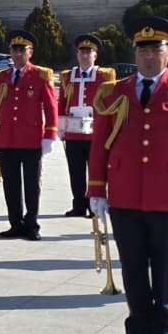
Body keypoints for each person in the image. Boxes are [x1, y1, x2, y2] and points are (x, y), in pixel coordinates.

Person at [89, 18, 168, 334]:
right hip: (125, 194)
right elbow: (100, 144)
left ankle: (166, 328)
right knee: (132, 266)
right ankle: (139, 326)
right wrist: (96, 189)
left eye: (155, 49)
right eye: (142, 50)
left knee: (167, 266)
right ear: (135, 54)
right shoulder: (114, 92)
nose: (148, 56)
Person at [0, 29, 58, 240]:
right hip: (7, 139)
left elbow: (51, 107)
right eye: (14, 49)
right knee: (10, 184)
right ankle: (15, 223)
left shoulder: (40, 75)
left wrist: (49, 135)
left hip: (31, 140)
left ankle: (31, 224)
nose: (17, 54)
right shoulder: (1, 77)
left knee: (32, 185)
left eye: (21, 50)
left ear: (30, 52)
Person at [58, 33, 115, 217]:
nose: (84, 55)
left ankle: (94, 205)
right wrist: (60, 128)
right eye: (81, 52)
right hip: (73, 133)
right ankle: (78, 205)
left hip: (95, 133)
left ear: (95, 55)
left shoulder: (104, 76)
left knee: (96, 171)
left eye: (88, 52)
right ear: (77, 54)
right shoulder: (68, 76)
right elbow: (62, 102)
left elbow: (110, 103)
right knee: (75, 172)